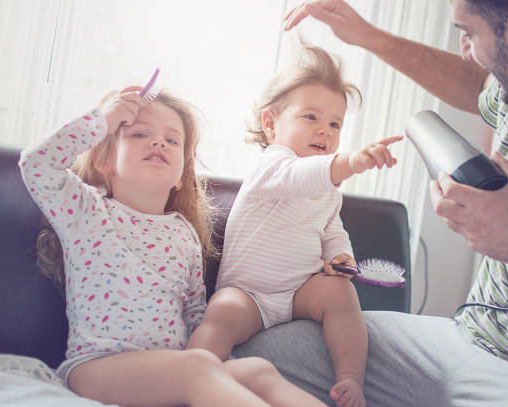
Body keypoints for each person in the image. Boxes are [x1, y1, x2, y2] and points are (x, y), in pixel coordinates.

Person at [232, 1, 508, 406]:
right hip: (457, 340)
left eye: (468, 34)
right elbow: (475, 84)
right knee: (254, 356)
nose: (466, 52)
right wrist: (367, 36)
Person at [19, 86, 328, 407]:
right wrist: (102, 120)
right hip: (97, 368)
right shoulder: (87, 211)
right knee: (197, 367)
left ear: (182, 172)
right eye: (139, 134)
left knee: (256, 369)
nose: (158, 142)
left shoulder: (183, 234)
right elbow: (36, 165)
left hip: (173, 369)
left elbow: (194, 313)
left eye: (172, 140)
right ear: (102, 159)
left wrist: (216, 368)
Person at [187, 44, 401, 407]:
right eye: (311, 117)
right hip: (249, 295)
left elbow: (333, 229)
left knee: (340, 294)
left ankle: (350, 377)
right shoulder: (272, 166)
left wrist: (340, 255)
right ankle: (191, 374)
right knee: (223, 308)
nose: (325, 131)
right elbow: (299, 177)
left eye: (335, 124)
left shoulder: (327, 188)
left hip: (299, 292)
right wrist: (350, 162)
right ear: (271, 124)